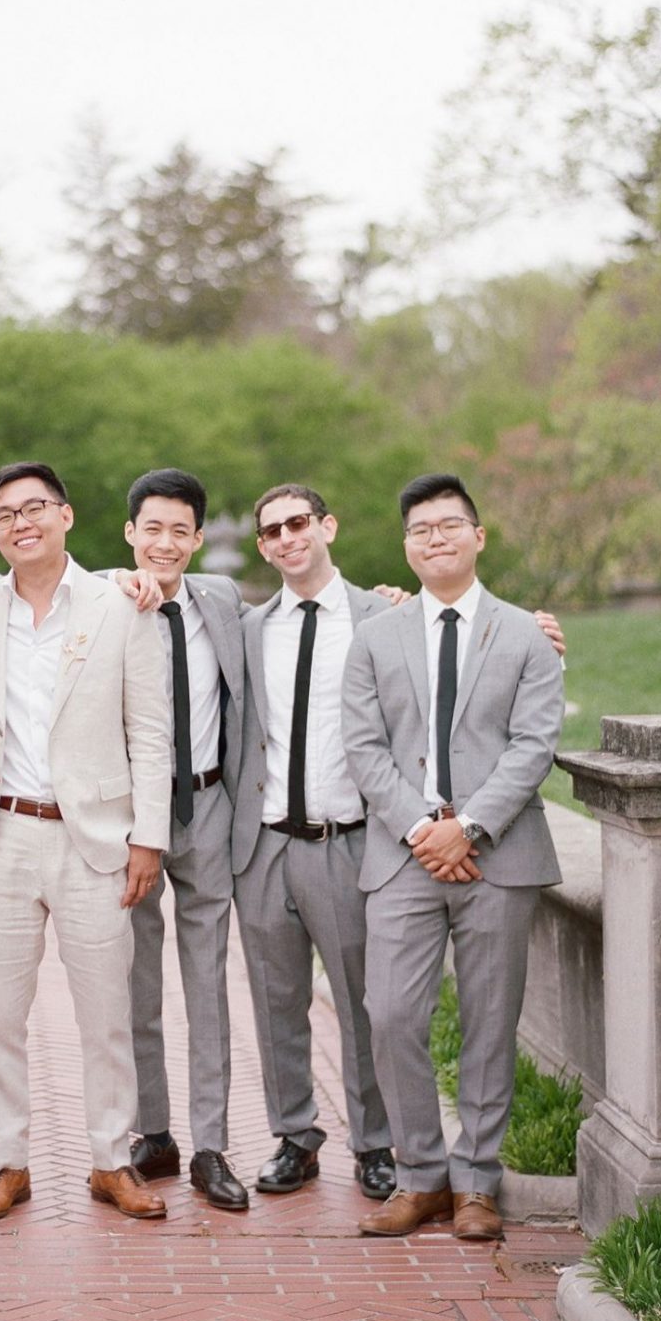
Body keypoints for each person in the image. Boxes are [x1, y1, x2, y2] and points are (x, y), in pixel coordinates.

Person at [342, 473, 565, 1242]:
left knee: (489, 1020)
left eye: (448, 525)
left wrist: (467, 827)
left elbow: (534, 743)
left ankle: (477, 1181)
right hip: (403, 855)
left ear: (478, 535)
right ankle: (420, 1176)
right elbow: (364, 746)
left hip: (498, 854)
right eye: (420, 529)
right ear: (406, 545)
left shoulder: (526, 633)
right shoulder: (375, 637)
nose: (434, 538)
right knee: (391, 1012)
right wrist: (422, 828)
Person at [0, 462, 172, 1221]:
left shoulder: (121, 603)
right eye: (4, 515)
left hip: (96, 839)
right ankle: (8, 1160)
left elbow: (150, 730)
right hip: (1, 835)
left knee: (106, 1012)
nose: (20, 524)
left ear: (66, 515)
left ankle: (112, 1160)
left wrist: (149, 836)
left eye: (34, 509)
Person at [231, 485, 399, 1203]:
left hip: (348, 841)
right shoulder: (249, 627)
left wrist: (542, 635)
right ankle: (294, 1137)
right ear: (262, 547)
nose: (287, 538)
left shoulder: (382, 617)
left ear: (327, 525)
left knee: (364, 1002)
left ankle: (376, 1143)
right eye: (272, 531)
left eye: (298, 522)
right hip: (265, 844)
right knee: (277, 1002)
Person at [120, 469, 250, 1211]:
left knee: (208, 984)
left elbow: (312, 615)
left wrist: (389, 599)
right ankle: (155, 1132)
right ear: (130, 534)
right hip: (132, 821)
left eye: (180, 530)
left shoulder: (222, 600)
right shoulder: (104, 599)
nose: (165, 543)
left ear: (198, 539)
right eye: (153, 529)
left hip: (208, 807)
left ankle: (211, 1145)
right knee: (136, 983)